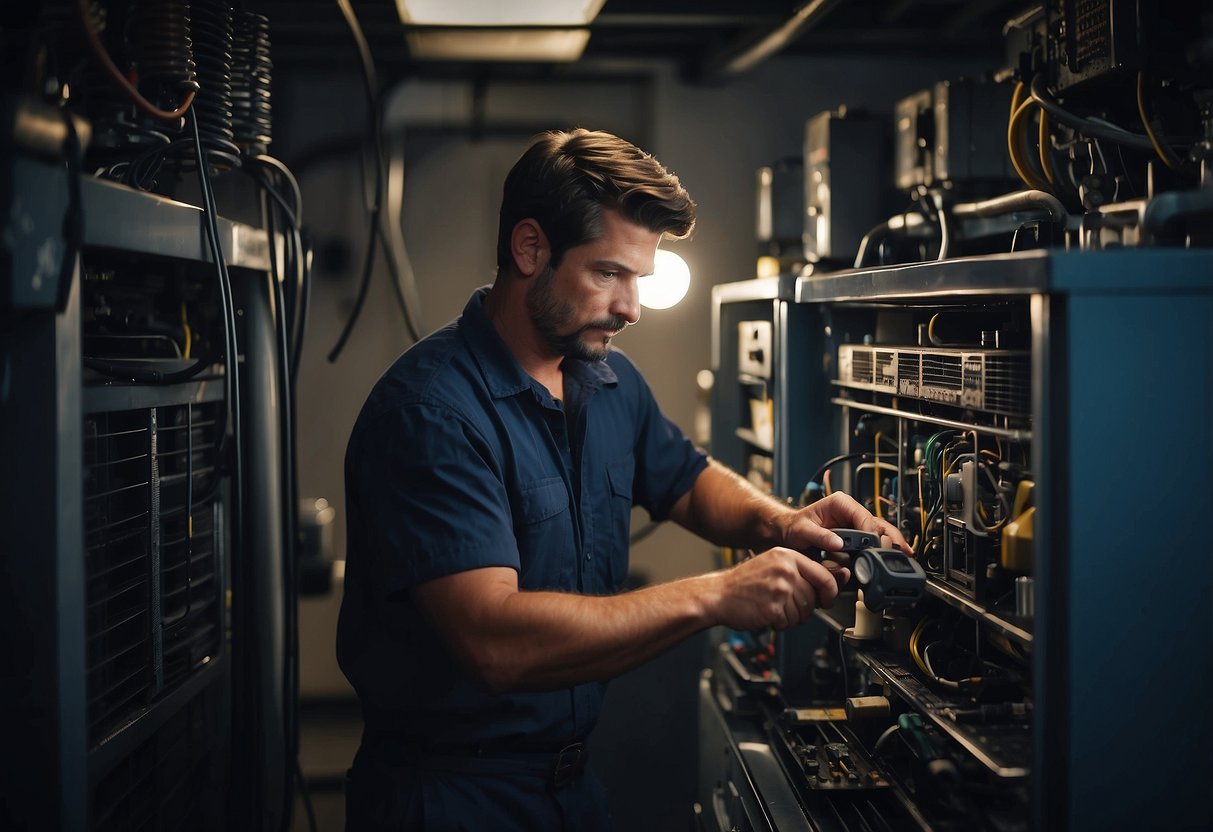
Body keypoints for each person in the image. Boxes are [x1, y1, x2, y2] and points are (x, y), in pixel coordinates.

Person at [337, 128, 909, 831]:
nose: (632, 307)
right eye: (609, 273)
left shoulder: (607, 383)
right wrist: (719, 594)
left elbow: (686, 480)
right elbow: (494, 643)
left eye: (639, 278)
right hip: (450, 798)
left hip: (572, 787)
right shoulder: (431, 415)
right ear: (529, 249)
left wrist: (782, 522)